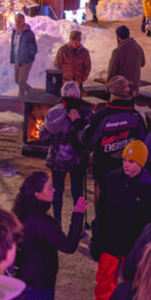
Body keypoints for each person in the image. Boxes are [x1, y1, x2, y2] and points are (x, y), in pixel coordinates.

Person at [88, 140, 151, 300]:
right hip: (110, 245)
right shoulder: (112, 180)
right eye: (125, 160)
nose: (126, 165)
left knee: (132, 292)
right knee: (104, 288)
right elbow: (101, 213)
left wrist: (143, 252)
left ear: (141, 164)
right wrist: (97, 239)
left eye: (131, 161)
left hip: (132, 251)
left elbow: (149, 226)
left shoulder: (149, 188)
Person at [12, 171, 87, 300]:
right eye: (49, 188)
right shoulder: (45, 224)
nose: (54, 190)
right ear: (38, 195)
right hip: (41, 285)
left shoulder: (20, 215)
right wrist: (77, 216)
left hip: (24, 280)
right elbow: (69, 246)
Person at [80, 75, 147, 202]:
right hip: (128, 172)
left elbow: (87, 140)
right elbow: (143, 144)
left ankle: (100, 221)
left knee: (103, 206)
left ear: (111, 93)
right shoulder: (136, 116)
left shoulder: (101, 116)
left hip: (103, 171)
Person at [38, 80, 92, 222]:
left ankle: (57, 222)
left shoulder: (53, 113)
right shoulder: (87, 113)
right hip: (78, 160)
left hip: (58, 160)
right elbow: (89, 138)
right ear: (79, 94)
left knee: (57, 191)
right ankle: (78, 225)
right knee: (77, 193)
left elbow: (44, 137)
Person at [106, 25, 146, 95]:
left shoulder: (117, 52)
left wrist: (107, 86)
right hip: (134, 88)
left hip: (121, 88)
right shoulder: (138, 47)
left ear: (119, 38)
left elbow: (111, 71)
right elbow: (142, 63)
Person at [10, 13, 38, 97]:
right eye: (16, 21)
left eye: (19, 21)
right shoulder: (14, 32)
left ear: (23, 21)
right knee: (17, 80)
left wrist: (28, 57)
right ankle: (31, 91)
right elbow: (13, 45)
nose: (17, 23)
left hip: (26, 61)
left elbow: (34, 48)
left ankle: (21, 100)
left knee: (21, 82)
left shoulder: (29, 33)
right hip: (17, 59)